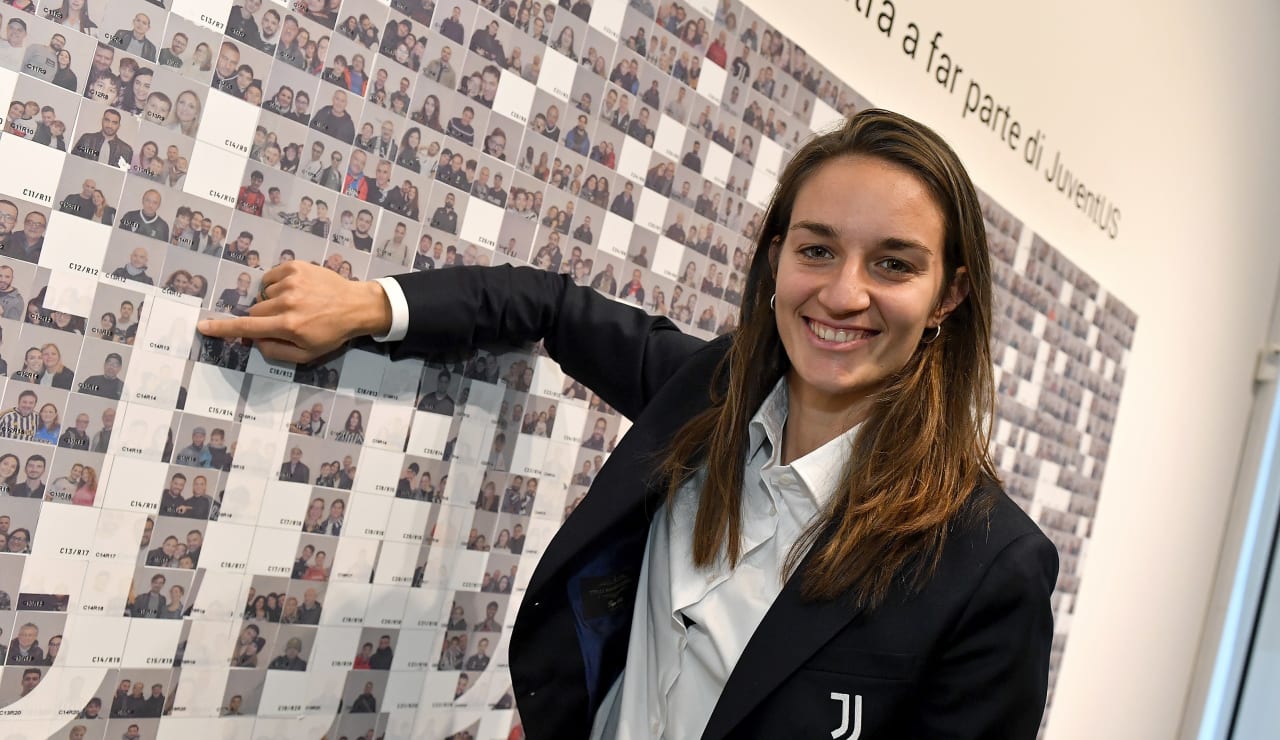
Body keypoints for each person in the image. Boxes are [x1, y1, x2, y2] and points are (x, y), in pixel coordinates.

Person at [195, 110, 1057, 738]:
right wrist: (370, 304)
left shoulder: (988, 568)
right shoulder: (708, 393)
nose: (841, 293)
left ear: (948, 295)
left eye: (894, 264)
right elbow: (550, 307)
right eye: (818, 249)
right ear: (777, 260)